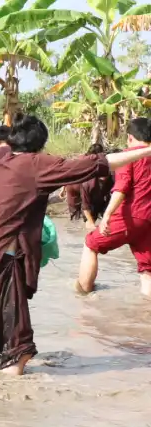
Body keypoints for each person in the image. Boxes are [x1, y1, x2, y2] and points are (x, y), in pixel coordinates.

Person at [0, 115, 151, 375]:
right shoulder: (36, 165)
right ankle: (6, 409)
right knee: (18, 352)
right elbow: (99, 163)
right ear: (40, 144)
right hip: (2, 268)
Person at [76, 118, 151, 297]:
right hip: (148, 221)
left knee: (91, 243)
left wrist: (107, 215)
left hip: (131, 216)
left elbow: (121, 189)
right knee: (147, 268)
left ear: (130, 137)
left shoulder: (129, 156)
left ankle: (84, 294)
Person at [80, 143, 113, 233]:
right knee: (89, 226)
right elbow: (85, 207)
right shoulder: (86, 184)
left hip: (104, 201)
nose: (103, 175)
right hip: (90, 204)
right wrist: (91, 224)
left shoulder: (112, 179)